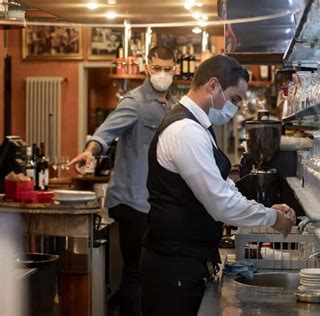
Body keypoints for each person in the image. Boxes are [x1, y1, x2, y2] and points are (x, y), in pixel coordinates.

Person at [141, 54, 296, 315]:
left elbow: (225, 187)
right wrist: (271, 217)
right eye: (234, 98)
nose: (234, 107)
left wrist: (266, 209)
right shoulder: (185, 131)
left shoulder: (199, 127)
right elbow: (220, 204)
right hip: (174, 265)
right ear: (212, 86)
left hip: (187, 259)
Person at [68, 45, 177, 316]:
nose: (162, 74)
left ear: (174, 69)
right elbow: (105, 132)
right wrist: (90, 150)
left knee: (150, 271)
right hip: (132, 201)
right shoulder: (135, 102)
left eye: (167, 69)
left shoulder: (171, 104)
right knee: (136, 272)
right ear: (146, 68)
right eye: (157, 68)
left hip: (152, 201)